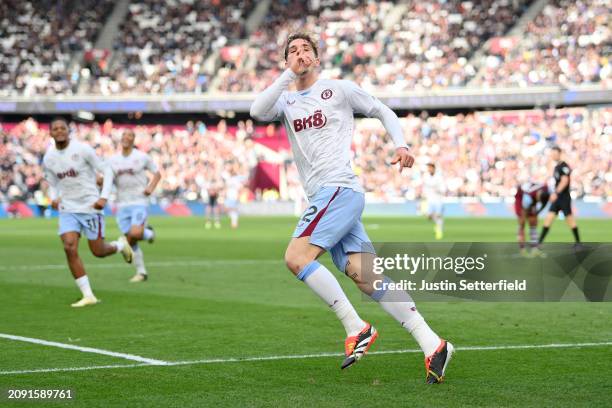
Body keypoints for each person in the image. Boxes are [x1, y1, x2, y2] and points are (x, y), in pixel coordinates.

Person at [250, 32, 452, 384]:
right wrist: (287, 75)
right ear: (286, 61)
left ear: (317, 57)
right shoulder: (285, 100)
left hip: (339, 188)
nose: (300, 55)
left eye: (306, 50)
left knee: (297, 257)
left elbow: (382, 110)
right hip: (325, 197)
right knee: (366, 277)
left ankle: (356, 327)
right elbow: (256, 111)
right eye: (293, 51)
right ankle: (434, 344)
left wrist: (401, 144)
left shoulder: (339, 89)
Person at [42, 118, 133, 307]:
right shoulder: (49, 158)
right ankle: (88, 295)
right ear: (50, 133)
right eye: (55, 129)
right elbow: (52, 181)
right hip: (68, 209)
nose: (59, 131)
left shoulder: (82, 150)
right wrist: (54, 197)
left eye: (62, 128)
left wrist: (104, 197)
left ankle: (119, 245)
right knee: (69, 247)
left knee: (98, 251)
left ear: (69, 131)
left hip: (90, 207)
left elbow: (106, 170)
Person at [108, 129, 161, 282]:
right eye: (124, 135)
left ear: (133, 139)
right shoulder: (113, 160)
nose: (126, 138)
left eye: (129, 135)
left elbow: (157, 174)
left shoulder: (142, 157)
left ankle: (146, 233)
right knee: (131, 240)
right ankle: (141, 272)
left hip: (139, 201)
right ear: (120, 139)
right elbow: (107, 179)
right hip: (122, 204)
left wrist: (150, 188)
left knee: (134, 233)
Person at [538, 146, 581, 247]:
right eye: (552, 154)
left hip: (564, 197)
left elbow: (564, 181)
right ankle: (539, 242)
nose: (553, 155)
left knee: (570, 220)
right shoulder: (556, 167)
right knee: (548, 218)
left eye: (554, 153)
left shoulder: (564, 166)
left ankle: (578, 243)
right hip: (557, 198)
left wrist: (555, 193)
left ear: (559, 153)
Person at [514, 181, 549, 256]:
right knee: (522, 224)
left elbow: (544, 203)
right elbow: (525, 210)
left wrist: (537, 212)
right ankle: (522, 249)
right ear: (538, 196)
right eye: (539, 200)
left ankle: (534, 249)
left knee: (533, 223)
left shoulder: (545, 190)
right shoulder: (528, 197)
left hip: (532, 199)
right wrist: (531, 213)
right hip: (521, 199)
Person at [422, 163, 446, 240]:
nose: (429, 169)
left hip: (438, 199)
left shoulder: (439, 177)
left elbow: (443, 189)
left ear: (434, 168)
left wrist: (438, 190)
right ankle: (438, 224)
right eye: (428, 168)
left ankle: (439, 230)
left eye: (430, 167)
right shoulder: (426, 177)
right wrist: (424, 194)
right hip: (430, 199)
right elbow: (425, 187)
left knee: (438, 215)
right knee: (429, 216)